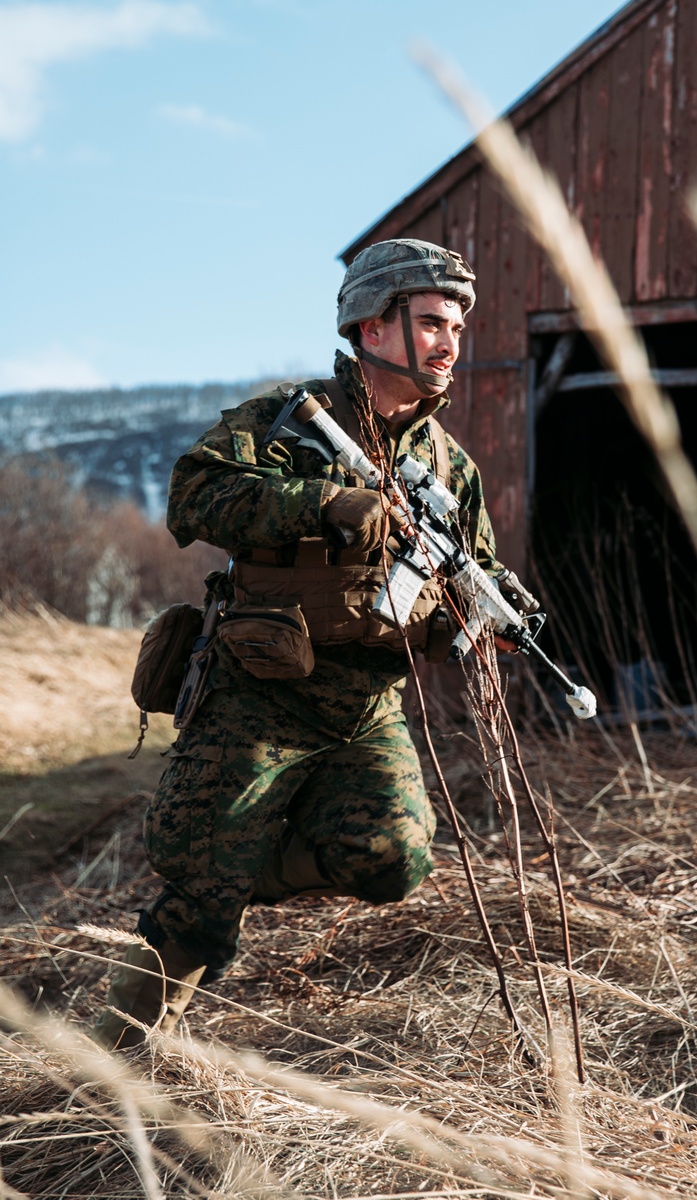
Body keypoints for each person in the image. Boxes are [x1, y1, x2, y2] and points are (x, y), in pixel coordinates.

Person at [93, 238, 509, 1049]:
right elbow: (193, 493)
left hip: (363, 707)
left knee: (393, 860)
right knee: (200, 899)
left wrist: (479, 613)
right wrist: (319, 503)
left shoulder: (447, 466)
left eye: (456, 326)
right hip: (257, 691)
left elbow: (475, 562)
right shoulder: (290, 420)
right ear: (372, 326)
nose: (450, 342)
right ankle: (113, 1066)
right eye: (430, 323)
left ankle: (233, 863)